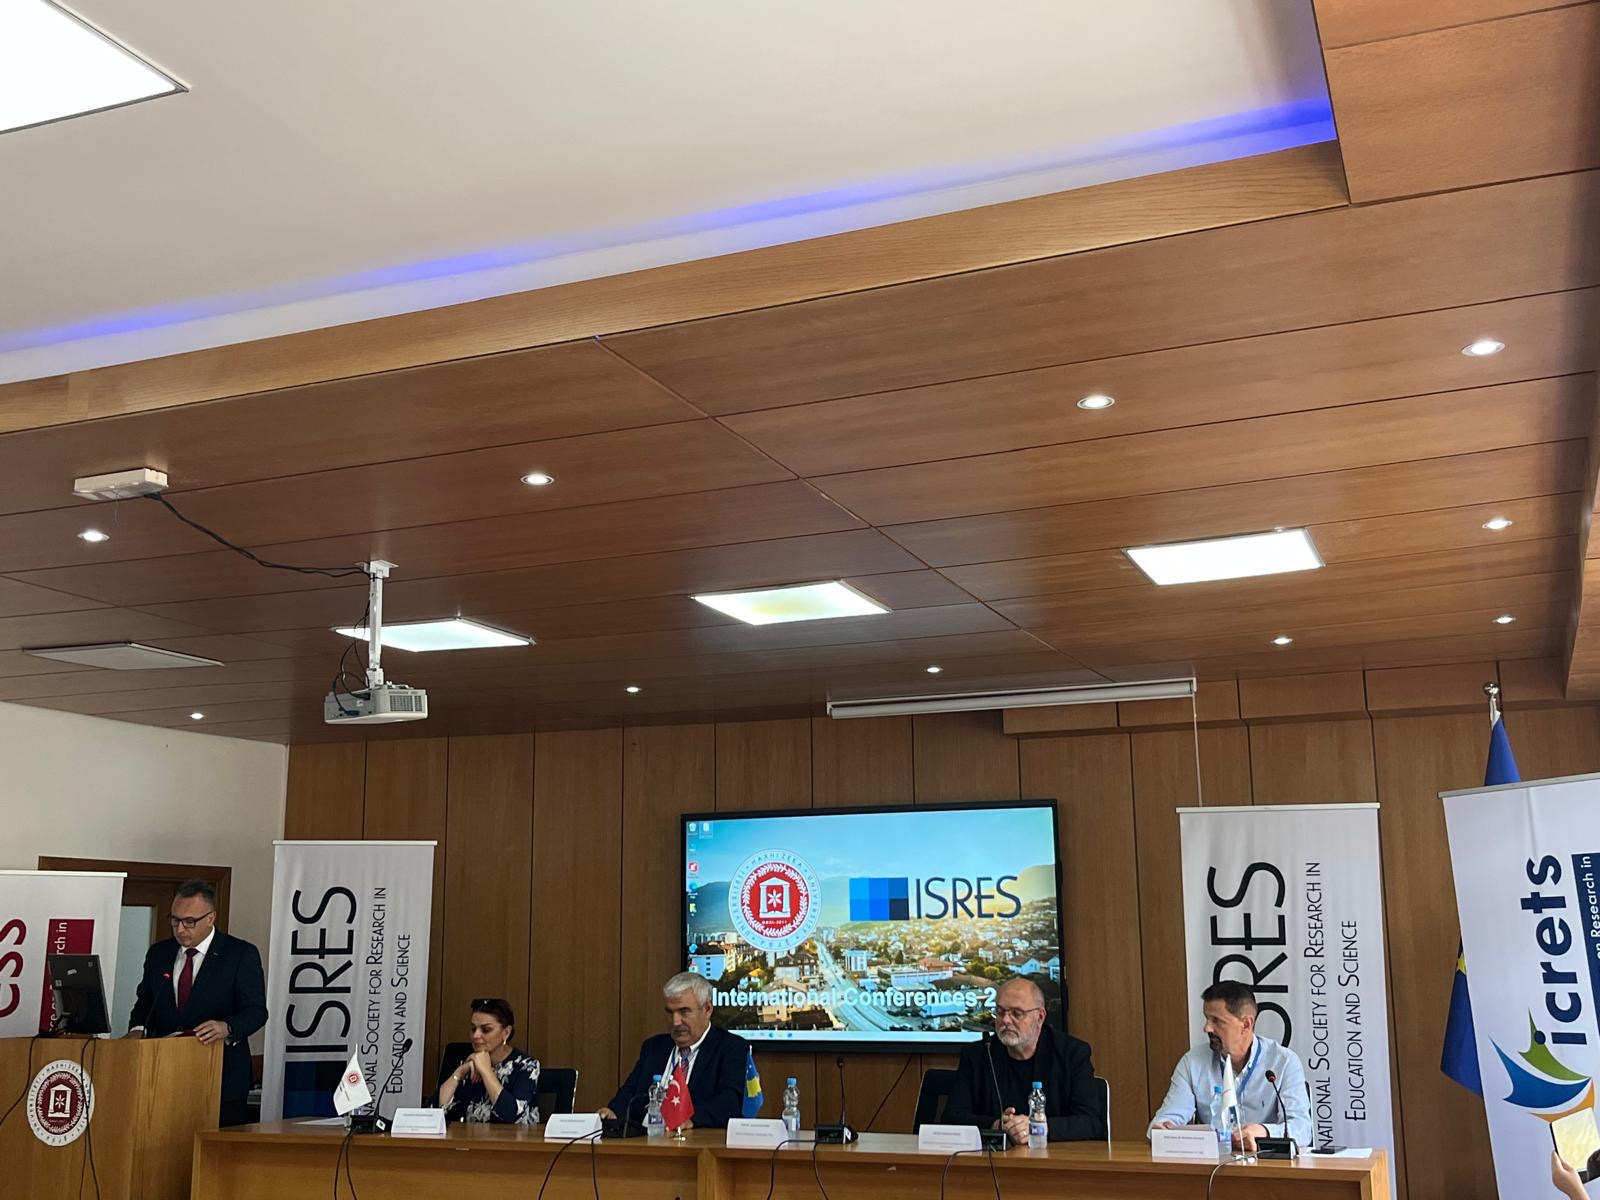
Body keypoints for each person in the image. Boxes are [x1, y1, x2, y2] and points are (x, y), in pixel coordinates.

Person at [125, 879, 267, 1128]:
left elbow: (256, 1011)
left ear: (210, 918)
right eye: (175, 920)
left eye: (189, 921)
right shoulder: (159, 954)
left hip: (221, 1077)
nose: (181, 929)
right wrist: (138, 1030)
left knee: (218, 1146)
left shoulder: (239, 954)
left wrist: (227, 1027)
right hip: (164, 1074)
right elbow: (145, 1002)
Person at [1149, 980, 1313, 1151]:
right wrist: (1161, 1130)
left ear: (1246, 1024)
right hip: (1215, 1162)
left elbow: (1302, 1130)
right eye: (1206, 1019)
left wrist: (1264, 1131)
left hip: (1267, 1162)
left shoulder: (1283, 1062)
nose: (1207, 1028)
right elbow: (1166, 1120)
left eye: (1216, 1021)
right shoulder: (1193, 1062)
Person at [942, 977, 1106, 1142]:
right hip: (995, 1156)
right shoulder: (978, 1055)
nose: (1005, 1020)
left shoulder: (1072, 1054)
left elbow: (1091, 1123)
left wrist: (1037, 1127)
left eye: (1017, 1013)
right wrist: (996, 1125)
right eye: (1000, 1012)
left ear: (1040, 1017)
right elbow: (951, 1117)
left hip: (1054, 1155)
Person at [600, 971, 750, 1130]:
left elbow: (730, 1101)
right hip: (645, 1136)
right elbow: (630, 1092)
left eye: (684, 1011)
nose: (676, 1022)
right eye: (670, 1012)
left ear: (707, 1009)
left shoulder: (731, 1047)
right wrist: (614, 1111)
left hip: (693, 1138)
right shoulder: (654, 1047)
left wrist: (690, 1119)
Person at [437, 998, 541, 1125]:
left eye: (486, 1030)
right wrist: (459, 1072)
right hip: (470, 1137)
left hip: (513, 1137)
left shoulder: (526, 1066)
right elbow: (434, 1113)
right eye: (473, 1029)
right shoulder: (467, 1062)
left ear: (506, 1033)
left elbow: (511, 1115)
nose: (476, 1036)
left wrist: (486, 1071)